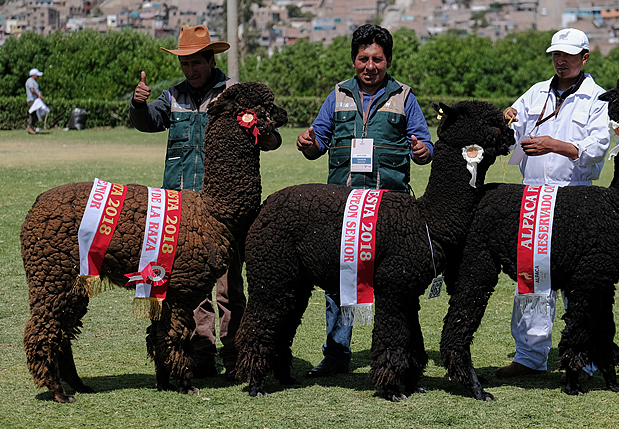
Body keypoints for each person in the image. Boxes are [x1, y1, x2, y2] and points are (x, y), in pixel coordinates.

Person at [129, 24, 281, 379]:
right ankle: (201, 354)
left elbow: (271, 139)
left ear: (210, 60)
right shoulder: (173, 96)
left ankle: (236, 353)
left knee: (229, 286)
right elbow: (149, 121)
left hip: (226, 210)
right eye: (185, 64)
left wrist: (261, 133)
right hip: (182, 210)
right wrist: (138, 104)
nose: (191, 70)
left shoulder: (234, 95)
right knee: (191, 285)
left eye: (196, 62)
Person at [296, 23, 433, 377]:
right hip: (341, 207)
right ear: (353, 60)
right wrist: (308, 144)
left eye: (377, 59)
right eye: (363, 59)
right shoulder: (337, 95)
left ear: (388, 61)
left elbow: (425, 147)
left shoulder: (405, 97)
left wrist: (421, 150)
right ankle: (337, 354)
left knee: (393, 284)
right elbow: (318, 144)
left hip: (389, 208)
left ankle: (394, 353)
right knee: (338, 281)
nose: (370, 66)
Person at [496, 28, 610, 378]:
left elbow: (598, 147)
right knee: (531, 275)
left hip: (574, 197)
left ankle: (584, 359)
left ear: (585, 57)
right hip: (533, 197)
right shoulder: (536, 92)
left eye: (568, 55)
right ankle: (529, 356)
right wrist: (508, 118)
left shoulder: (598, 98)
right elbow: (515, 131)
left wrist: (555, 145)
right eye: (556, 55)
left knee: (579, 284)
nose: (560, 61)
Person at [25, 68, 44, 134]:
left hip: (35, 100)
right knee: (33, 114)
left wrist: (39, 94)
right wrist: (37, 95)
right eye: (37, 75)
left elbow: (36, 89)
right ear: (33, 75)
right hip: (32, 100)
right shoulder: (30, 81)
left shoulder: (34, 81)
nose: (38, 77)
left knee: (35, 114)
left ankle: (31, 127)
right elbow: (32, 90)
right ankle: (30, 127)